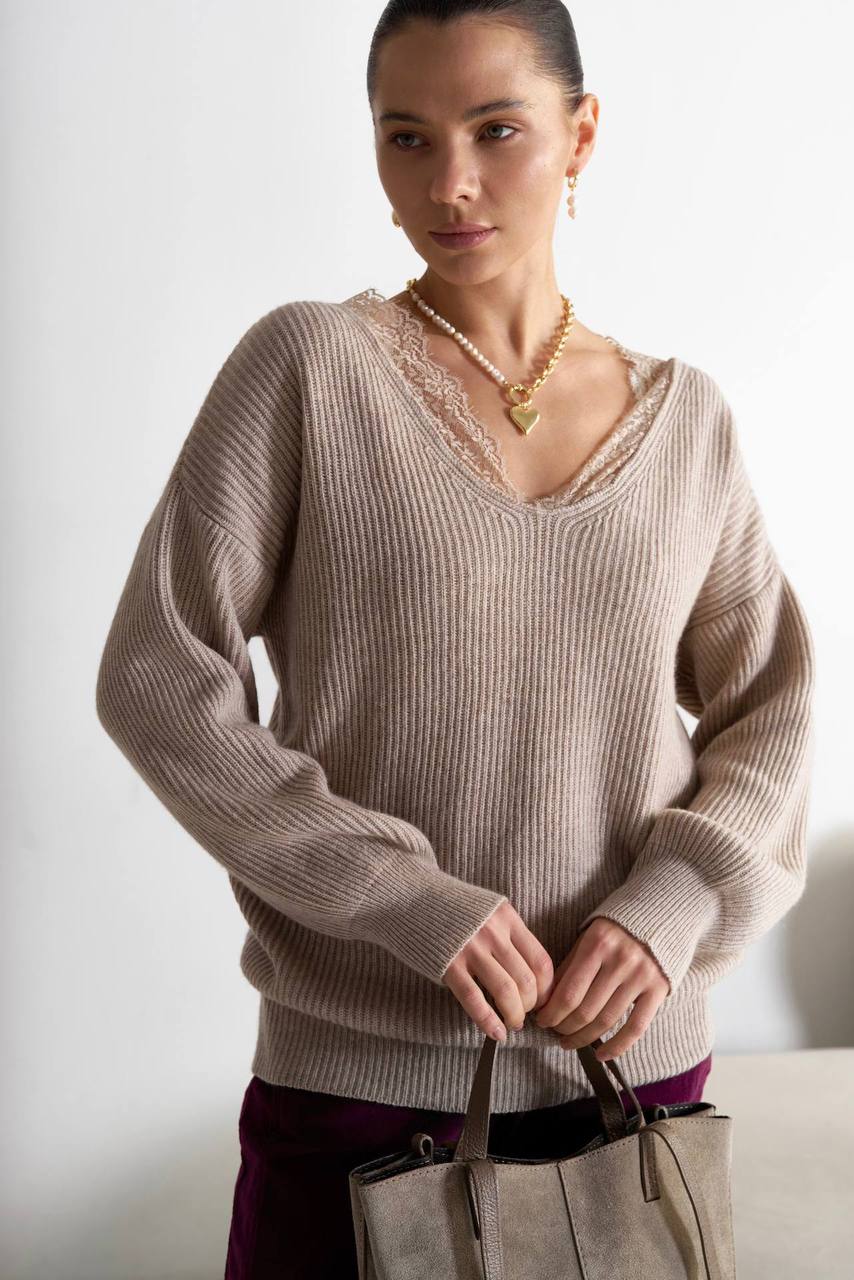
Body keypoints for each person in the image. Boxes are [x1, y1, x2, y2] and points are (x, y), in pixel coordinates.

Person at [94, 2, 816, 1277]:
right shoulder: (307, 368)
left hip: (628, 1069)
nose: (450, 183)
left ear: (580, 135)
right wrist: (396, 894)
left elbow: (770, 705)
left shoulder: (688, 421)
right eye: (407, 137)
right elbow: (159, 676)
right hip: (363, 1077)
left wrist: (670, 903)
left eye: (496, 130)